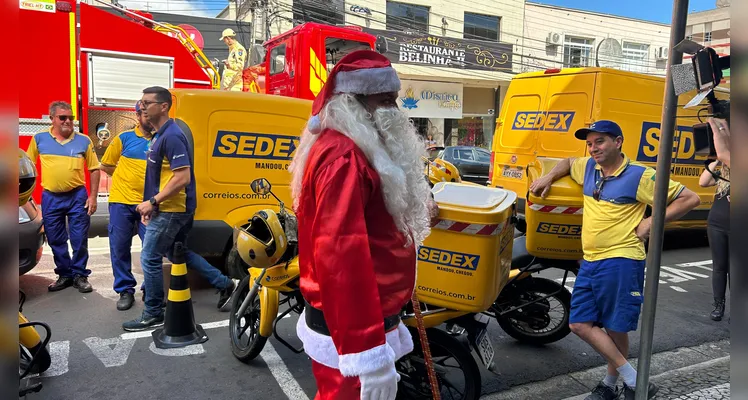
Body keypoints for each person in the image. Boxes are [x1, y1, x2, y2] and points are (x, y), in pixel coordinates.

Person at [289, 50, 438, 400]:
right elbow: (342, 257)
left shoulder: (360, 147)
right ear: (354, 103)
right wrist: (368, 356)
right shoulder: (344, 156)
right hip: (351, 332)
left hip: (362, 320)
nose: (395, 112)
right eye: (386, 100)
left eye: (394, 100)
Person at [529, 120, 700, 400]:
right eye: (590, 143)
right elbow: (569, 161)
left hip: (622, 259)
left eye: (600, 142)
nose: (593, 148)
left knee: (614, 326)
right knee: (579, 323)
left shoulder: (639, 176)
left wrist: (650, 221)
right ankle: (635, 381)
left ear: (618, 142)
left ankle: (610, 384)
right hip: (590, 260)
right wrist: (549, 177)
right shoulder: (588, 168)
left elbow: (689, 198)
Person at [122, 86, 236, 331]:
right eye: (141, 102)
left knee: (150, 258)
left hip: (173, 209)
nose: (142, 106)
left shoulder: (171, 136)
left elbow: (182, 177)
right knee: (177, 254)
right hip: (166, 208)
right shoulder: (158, 135)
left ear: (164, 107)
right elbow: (159, 177)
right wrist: (152, 204)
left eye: (147, 102)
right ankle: (224, 283)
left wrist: (153, 202)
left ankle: (153, 312)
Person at [26, 101, 101, 293]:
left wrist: (92, 197)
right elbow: (27, 167)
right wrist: (25, 196)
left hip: (77, 196)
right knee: (55, 238)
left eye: (71, 118)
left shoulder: (84, 140)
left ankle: (80, 275)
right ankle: (65, 274)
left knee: (79, 238)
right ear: (52, 119)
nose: (68, 121)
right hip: (51, 197)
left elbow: (94, 169)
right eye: (63, 118)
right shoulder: (39, 139)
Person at [100, 101, 153, 311]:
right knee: (119, 246)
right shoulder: (124, 139)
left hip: (148, 204)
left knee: (151, 248)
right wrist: (124, 178)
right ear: (138, 116)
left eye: (151, 114)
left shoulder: (161, 140)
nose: (148, 118)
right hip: (121, 201)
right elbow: (106, 164)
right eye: (144, 114)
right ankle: (125, 290)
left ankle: (150, 288)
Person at [698, 117, 730, 321]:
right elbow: (703, 182)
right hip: (716, 224)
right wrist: (716, 164)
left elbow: (724, 153)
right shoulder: (724, 177)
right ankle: (718, 305)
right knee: (719, 267)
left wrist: (716, 126)